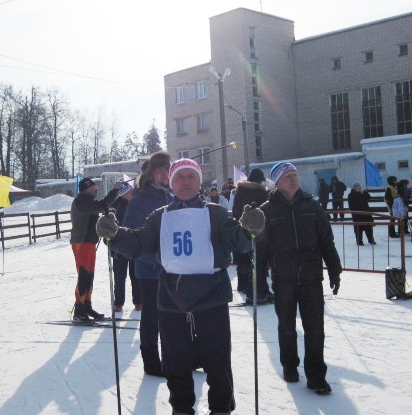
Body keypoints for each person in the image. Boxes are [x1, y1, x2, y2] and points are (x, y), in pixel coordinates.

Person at [97, 158, 265, 415]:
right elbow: (138, 243)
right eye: (179, 177)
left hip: (212, 297)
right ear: (172, 183)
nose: (185, 182)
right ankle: (182, 408)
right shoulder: (160, 216)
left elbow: (239, 241)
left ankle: (220, 408)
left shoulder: (215, 212)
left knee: (217, 360)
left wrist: (250, 229)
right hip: (172, 299)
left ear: (199, 181)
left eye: (190, 176)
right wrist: (116, 234)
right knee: (175, 361)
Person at [259, 162, 342, 395]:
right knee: (286, 327)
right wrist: (258, 281)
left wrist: (334, 268)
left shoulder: (312, 205)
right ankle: (289, 366)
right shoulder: (267, 209)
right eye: (287, 176)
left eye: (295, 175)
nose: (293, 179)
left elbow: (326, 240)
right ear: (277, 182)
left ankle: (316, 376)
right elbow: (262, 248)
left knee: (315, 328)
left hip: (311, 278)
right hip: (283, 278)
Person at [122, 151, 172, 377]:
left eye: (167, 168)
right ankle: (151, 360)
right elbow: (133, 237)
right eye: (160, 169)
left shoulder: (172, 197)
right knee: (152, 316)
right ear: (151, 173)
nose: (165, 172)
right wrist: (154, 256)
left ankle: (181, 355)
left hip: (174, 268)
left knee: (176, 315)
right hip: (150, 269)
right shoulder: (140, 199)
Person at [70, 177, 121, 321]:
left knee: (90, 275)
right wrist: (115, 191)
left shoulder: (87, 201)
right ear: (87, 187)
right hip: (82, 242)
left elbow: (100, 207)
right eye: (94, 186)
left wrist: (107, 212)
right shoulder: (81, 200)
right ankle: (79, 310)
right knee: (84, 275)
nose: (96, 189)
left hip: (89, 242)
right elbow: (100, 204)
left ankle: (86, 305)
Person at [231, 168, 273, 303]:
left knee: (244, 259)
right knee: (258, 262)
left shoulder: (240, 191)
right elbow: (266, 211)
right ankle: (257, 292)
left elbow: (236, 210)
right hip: (259, 231)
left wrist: (242, 223)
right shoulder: (261, 192)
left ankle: (242, 285)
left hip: (241, 230)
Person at [111, 182, 141, 312]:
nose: (132, 193)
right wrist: (110, 241)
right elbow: (107, 226)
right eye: (130, 191)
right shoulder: (115, 205)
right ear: (125, 193)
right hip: (118, 247)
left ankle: (139, 301)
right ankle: (118, 303)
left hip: (134, 245)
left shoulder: (136, 204)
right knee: (119, 276)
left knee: (136, 275)